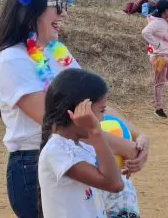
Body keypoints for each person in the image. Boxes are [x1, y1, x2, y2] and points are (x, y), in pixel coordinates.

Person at [0, 0, 150, 218]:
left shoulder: (58, 52)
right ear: (32, 7)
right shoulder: (11, 60)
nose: (64, 12)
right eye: (56, 5)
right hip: (35, 163)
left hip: (80, 155)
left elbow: (94, 104)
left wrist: (138, 136)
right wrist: (125, 148)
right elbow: (55, 122)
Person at [38, 69, 124, 217]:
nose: (103, 119)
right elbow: (114, 184)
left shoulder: (81, 147)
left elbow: (112, 180)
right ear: (80, 110)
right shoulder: (56, 151)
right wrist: (95, 132)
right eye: (101, 111)